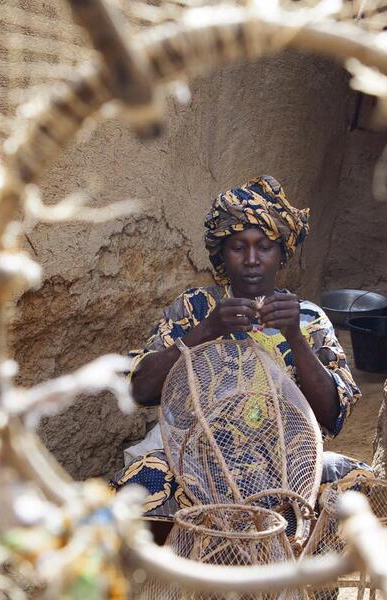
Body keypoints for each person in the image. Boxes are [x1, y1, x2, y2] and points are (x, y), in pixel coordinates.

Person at [110, 175, 373, 538]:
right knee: (140, 486)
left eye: (264, 246)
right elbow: (139, 390)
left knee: (360, 485)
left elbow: (334, 414)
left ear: (281, 253)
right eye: (238, 247)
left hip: (288, 467)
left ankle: (305, 586)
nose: (251, 259)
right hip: (197, 463)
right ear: (221, 254)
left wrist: (294, 336)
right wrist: (206, 330)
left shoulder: (308, 318)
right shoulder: (195, 307)